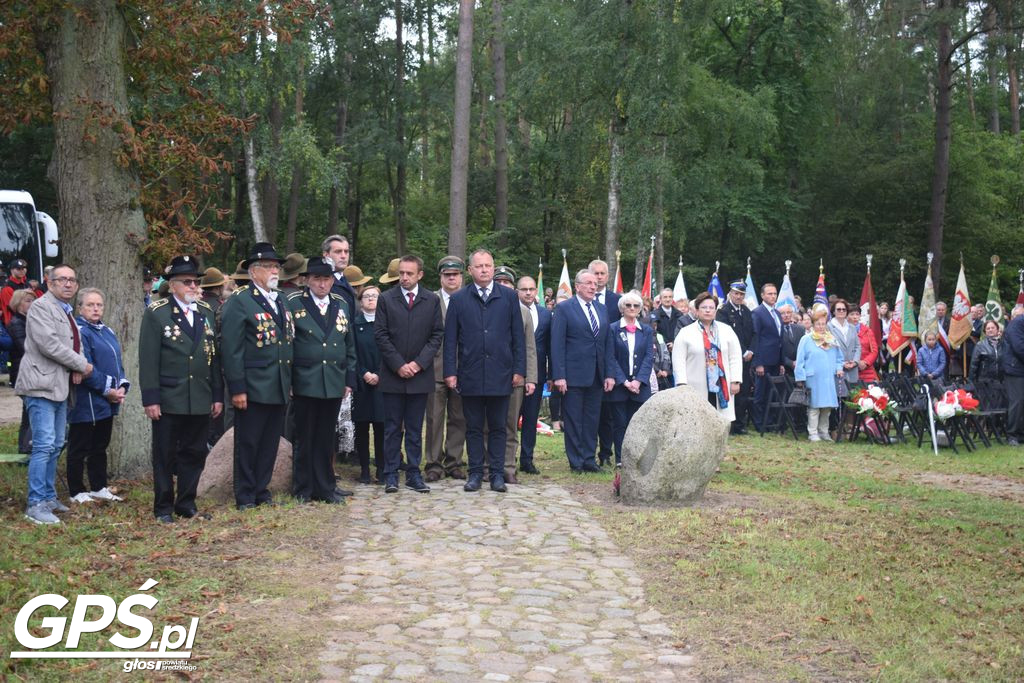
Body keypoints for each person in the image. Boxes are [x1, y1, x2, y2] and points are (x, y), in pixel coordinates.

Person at [140, 256, 223, 522]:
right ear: (173, 285)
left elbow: (214, 357)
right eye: (186, 282)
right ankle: (163, 507)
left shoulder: (205, 312)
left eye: (195, 282)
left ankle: (186, 503)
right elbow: (149, 359)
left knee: (195, 452)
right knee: (164, 454)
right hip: (169, 396)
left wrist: (217, 396)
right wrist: (151, 398)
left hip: (199, 395)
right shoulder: (158, 312)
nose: (192, 286)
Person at [16, 264, 93, 524]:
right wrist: (80, 365)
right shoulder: (41, 307)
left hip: (60, 386)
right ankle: (35, 503)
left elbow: (75, 344)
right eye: (62, 280)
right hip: (40, 385)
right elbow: (49, 344)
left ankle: (48, 497)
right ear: (50, 283)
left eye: (72, 280)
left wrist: (79, 365)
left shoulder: (66, 311)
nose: (68, 284)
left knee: (57, 443)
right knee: (44, 445)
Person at [444, 251, 526, 492]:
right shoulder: (459, 300)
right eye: (479, 266)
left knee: (499, 426)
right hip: (470, 373)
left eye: (488, 266)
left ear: (493, 268)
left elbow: (517, 338)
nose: (484, 270)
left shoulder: (509, 297)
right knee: (473, 426)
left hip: (501, 372)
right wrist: (451, 371)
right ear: (470, 270)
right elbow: (450, 341)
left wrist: (519, 369)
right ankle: (475, 473)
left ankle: (497, 474)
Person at [220, 243, 293, 510]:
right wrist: (237, 388)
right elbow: (232, 348)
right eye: (270, 266)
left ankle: (262, 489)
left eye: (277, 266)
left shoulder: (281, 299)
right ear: (254, 271)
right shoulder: (240, 301)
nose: (276, 271)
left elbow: (286, 343)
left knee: (270, 442)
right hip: (252, 386)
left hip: (278, 384)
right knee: (248, 442)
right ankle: (245, 494)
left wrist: (289, 381)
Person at [286, 256, 356, 503]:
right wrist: (290, 381)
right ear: (307, 281)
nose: (322, 284)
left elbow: (349, 344)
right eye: (317, 279)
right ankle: (303, 488)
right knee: (305, 437)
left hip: (333, 380)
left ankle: (326, 487)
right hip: (306, 380)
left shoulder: (341, 303)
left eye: (326, 279)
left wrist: (349, 377)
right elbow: (288, 345)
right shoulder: (294, 303)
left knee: (327, 438)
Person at [375, 255, 444, 493]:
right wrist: (398, 365)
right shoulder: (386, 299)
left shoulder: (431, 300)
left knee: (415, 428)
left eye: (409, 273)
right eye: (401, 273)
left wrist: (418, 364)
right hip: (393, 375)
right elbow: (381, 335)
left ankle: (414, 473)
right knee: (393, 427)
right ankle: (391, 473)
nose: (404, 277)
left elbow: (437, 335)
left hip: (419, 375)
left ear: (420, 275)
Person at [67, 288, 129, 504]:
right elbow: (85, 367)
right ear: (80, 307)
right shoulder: (79, 331)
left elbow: (117, 362)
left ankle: (98, 486)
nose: (95, 308)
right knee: (79, 446)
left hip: (107, 401)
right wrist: (108, 389)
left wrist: (121, 386)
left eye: (99, 305)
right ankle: (76, 490)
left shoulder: (107, 331)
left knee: (100, 446)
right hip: (86, 400)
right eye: (90, 305)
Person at [550, 269, 616, 473]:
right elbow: (557, 343)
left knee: (591, 419)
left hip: (597, 374)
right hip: (573, 375)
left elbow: (607, 343)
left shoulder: (601, 308)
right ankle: (576, 461)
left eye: (595, 283)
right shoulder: (565, 309)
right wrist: (559, 375)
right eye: (588, 283)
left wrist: (609, 373)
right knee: (574, 419)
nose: (592, 286)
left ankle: (589, 459)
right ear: (577, 286)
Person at [489, 266, 536, 484]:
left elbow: (528, 348)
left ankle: (508, 466)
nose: (503, 286)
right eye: (499, 282)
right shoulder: (485, 308)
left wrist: (531, 378)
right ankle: (487, 465)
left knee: (509, 424)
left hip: (514, 378)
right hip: (488, 377)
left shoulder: (523, 312)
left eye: (507, 283)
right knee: (485, 424)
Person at [424, 256, 468, 482]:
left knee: (459, 418)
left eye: (455, 274)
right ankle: (433, 463)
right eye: (447, 275)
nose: (451, 278)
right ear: (440, 277)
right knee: (434, 418)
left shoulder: (470, 298)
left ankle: (454, 462)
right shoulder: (430, 300)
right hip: (435, 369)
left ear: (462, 276)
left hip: (463, 369)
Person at [673, 292, 743, 421]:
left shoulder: (726, 330)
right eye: (704, 307)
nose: (708, 311)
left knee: (720, 421)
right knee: (696, 420)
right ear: (697, 311)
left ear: (715, 311)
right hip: (695, 385)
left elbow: (735, 357)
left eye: (711, 308)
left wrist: (735, 380)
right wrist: (682, 383)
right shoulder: (686, 332)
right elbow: (678, 360)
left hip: (722, 385)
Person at [606, 291, 654, 466]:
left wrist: (638, 381)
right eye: (628, 305)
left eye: (636, 306)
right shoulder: (612, 329)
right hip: (620, 385)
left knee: (637, 424)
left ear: (640, 309)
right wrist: (625, 382)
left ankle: (635, 458)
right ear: (621, 308)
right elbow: (610, 357)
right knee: (619, 423)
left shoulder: (647, 330)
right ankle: (620, 458)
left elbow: (649, 357)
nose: (632, 308)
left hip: (640, 386)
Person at [516, 274, 550, 475]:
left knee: (530, 419)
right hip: (515, 375)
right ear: (517, 291)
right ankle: (508, 458)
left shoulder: (546, 315)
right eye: (524, 289)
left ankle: (527, 459)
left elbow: (550, 346)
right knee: (511, 419)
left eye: (531, 289)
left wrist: (552, 374)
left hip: (537, 376)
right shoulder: (511, 312)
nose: (528, 292)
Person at [795, 306, 844, 442]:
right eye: (818, 324)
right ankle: (813, 432)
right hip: (813, 378)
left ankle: (824, 432)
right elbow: (800, 360)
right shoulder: (806, 339)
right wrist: (800, 377)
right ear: (813, 324)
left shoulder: (832, 339)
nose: (821, 327)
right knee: (814, 407)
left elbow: (839, 358)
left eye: (823, 324)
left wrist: (839, 368)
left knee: (827, 407)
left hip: (828, 378)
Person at [352, 286, 385, 483]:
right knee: (362, 428)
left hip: (383, 382)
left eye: (375, 296)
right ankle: (364, 469)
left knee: (382, 427)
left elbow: (391, 351)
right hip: (362, 383)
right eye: (367, 296)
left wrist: (379, 374)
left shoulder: (387, 324)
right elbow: (351, 353)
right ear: (360, 300)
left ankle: (382, 469)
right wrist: (364, 373)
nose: (371, 299)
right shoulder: (354, 324)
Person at [589, 259, 620, 465]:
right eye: (595, 273)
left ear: (608, 276)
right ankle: (588, 452)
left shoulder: (617, 301)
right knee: (591, 414)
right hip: (588, 365)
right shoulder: (581, 299)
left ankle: (606, 454)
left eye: (602, 273)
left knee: (608, 414)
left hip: (610, 365)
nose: (599, 277)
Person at [717, 281, 754, 434]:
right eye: (736, 293)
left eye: (741, 294)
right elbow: (728, 336)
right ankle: (728, 425)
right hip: (731, 358)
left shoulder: (746, 311)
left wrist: (751, 350)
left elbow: (753, 333)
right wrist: (743, 351)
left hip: (746, 359)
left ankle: (739, 424)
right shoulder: (723, 312)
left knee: (743, 392)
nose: (739, 296)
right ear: (730, 294)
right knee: (730, 391)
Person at [750, 282, 783, 431]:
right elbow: (755, 338)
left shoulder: (777, 313)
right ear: (762, 295)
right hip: (763, 360)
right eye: (769, 293)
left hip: (775, 360)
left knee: (772, 393)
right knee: (760, 394)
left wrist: (781, 362)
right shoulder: (758, 312)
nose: (773, 296)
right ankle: (759, 424)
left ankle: (769, 421)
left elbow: (779, 339)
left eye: (775, 293)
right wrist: (758, 363)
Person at [8, 289, 34, 454]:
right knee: (31, 412)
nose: (32, 304)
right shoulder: (17, 323)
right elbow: (25, 348)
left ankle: (24, 448)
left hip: (29, 371)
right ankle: (26, 448)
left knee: (28, 413)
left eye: (33, 300)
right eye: (28, 301)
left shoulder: (28, 321)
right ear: (18, 304)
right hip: (23, 372)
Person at [999, 307, 1024, 445]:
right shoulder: (1017, 323)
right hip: (1015, 369)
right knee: (1017, 402)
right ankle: (1012, 434)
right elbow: (1019, 347)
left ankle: (1020, 434)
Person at [828, 299, 861, 386]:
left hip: (852, 369)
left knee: (853, 397)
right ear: (833, 311)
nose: (841, 311)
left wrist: (855, 361)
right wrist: (841, 364)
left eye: (844, 309)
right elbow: (828, 349)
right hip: (837, 370)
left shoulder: (852, 327)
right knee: (839, 397)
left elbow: (857, 346)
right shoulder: (828, 327)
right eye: (839, 309)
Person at [323, 235, 356, 320]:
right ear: (326, 255)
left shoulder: (346, 280)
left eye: (346, 251)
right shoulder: (321, 284)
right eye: (338, 251)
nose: (343, 256)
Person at [1, 258, 41, 325]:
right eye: (18, 269)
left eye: (23, 268)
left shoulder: (27, 284)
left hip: (27, 320)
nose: (22, 271)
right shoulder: (7, 288)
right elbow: (13, 308)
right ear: (12, 270)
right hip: (13, 324)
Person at [849, 308, 879, 384]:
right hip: (849, 368)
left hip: (866, 369)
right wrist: (855, 362)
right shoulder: (843, 331)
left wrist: (866, 362)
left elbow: (874, 350)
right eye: (852, 314)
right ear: (847, 316)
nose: (855, 317)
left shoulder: (868, 331)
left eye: (857, 314)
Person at [779, 304, 805, 377]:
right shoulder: (776, 330)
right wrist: (790, 363)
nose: (786, 315)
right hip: (784, 369)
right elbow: (776, 351)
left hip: (800, 368)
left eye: (788, 312)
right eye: (783, 313)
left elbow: (804, 348)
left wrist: (799, 362)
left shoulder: (800, 329)